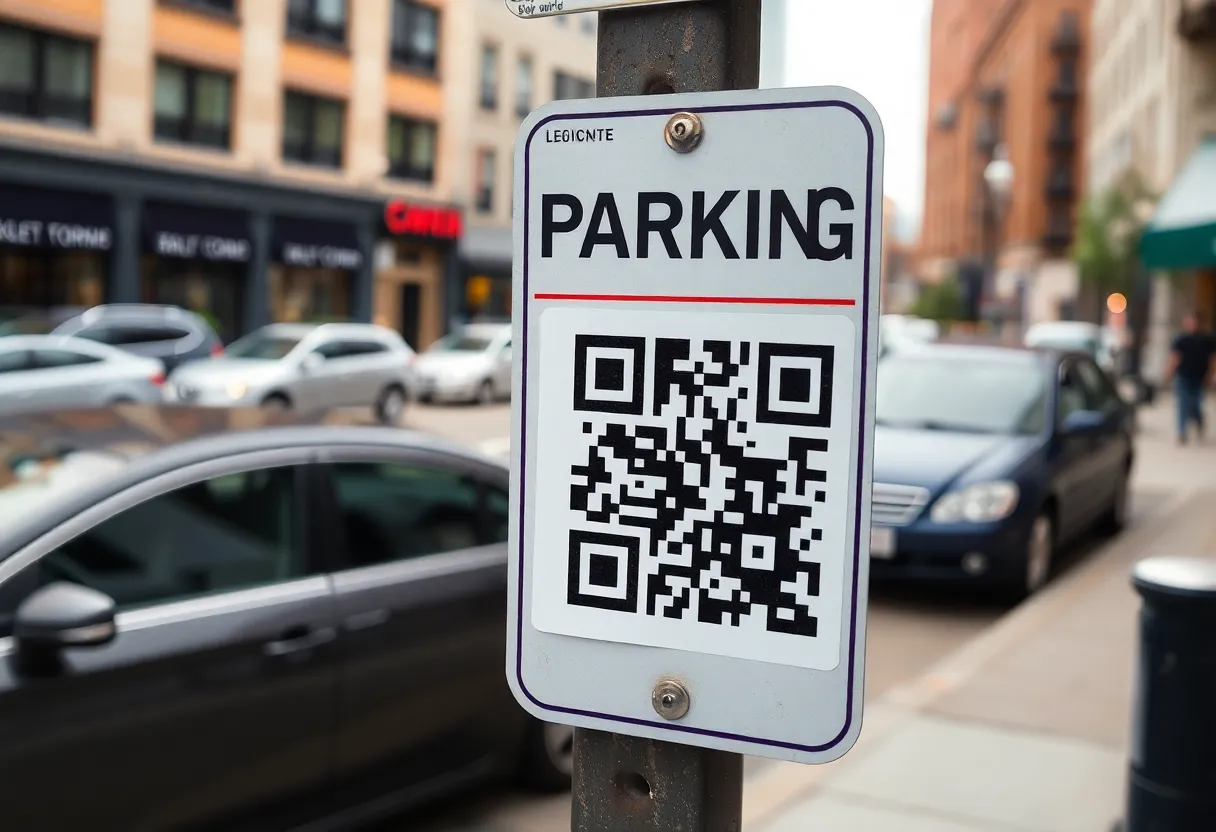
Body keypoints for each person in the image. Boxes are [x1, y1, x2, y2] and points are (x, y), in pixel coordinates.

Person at [1164, 313, 1216, 444]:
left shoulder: (1206, 340)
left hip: (1199, 377)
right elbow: (1175, 357)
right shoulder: (1181, 340)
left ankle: (1199, 420)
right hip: (1183, 376)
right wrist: (1169, 373)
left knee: (1195, 405)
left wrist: (1211, 375)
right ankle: (1181, 432)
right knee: (1182, 404)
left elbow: (1212, 360)